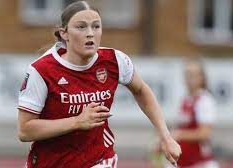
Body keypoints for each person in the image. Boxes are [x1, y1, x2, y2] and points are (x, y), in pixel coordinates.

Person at [17, 1, 181, 168]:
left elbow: (141, 90)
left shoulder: (114, 60)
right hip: (50, 162)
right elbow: (25, 130)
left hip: (99, 160)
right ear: (64, 33)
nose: (90, 33)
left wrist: (165, 136)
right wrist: (76, 121)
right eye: (81, 27)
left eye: (96, 27)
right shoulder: (41, 70)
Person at [162, 59, 219, 168]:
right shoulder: (185, 100)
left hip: (200, 163)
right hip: (183, 162)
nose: (189, 78)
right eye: (187, 74)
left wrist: (179, 134)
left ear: (202, 78)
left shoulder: (204, 100)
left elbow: (205, 133)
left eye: (193, 75)